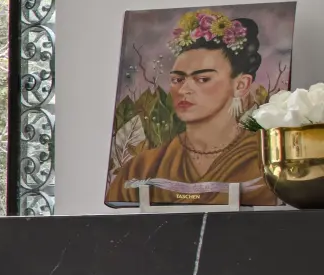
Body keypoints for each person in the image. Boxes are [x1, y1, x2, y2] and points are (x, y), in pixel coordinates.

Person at [105, 11, 276, 206]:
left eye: (202, 79)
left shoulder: (267, 160)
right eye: (177, 79)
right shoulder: (142, 168)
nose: (184, 90)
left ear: (241, 85)